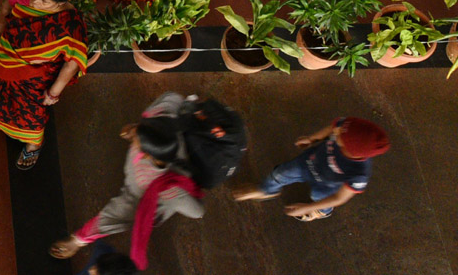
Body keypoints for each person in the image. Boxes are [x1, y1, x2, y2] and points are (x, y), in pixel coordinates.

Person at [50, 92, 205, 268]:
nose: (130, 132)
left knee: (119, 215)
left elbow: (197, 212)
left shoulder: (162, 189)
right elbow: (173, 97)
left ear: (146, 154)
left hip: (142, 202)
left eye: (135, 137)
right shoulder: (163, 117)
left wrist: (77, 240)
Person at [0, 0, 89, 169]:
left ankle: (33, 144)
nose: (35, 0)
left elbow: (72, 64)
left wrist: (53, 93)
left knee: (31, 117)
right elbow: (5, 9)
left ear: (61, 3)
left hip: (32, 81)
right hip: (4, 63)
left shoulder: (71, 24)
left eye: (44, 1)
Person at [233, 117, 389, 221]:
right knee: (279, 173)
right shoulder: (347, 127)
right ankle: (266, 190)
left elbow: (339, 198)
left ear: (352, 151)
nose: (337, 132)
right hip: (306, 163)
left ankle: (321, 212)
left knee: (322, 199)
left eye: (341, 136)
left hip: (327, 187)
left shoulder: (359, 174)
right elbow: (332, 127)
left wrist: (307, 207)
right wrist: (312, 138)